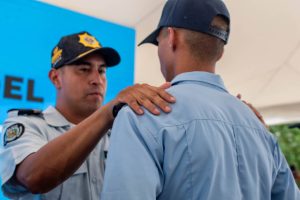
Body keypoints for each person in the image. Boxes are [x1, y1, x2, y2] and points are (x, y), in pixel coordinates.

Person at [101, 0, 300, 199]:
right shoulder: (259, 129)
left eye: (158, 42)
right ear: (221, 52)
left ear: (171, 37)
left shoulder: (142, 114)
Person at [0, 31, 176, 199]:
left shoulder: (121, 131)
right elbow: (33, 177)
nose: (97, 80)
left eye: (101, 71)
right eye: (84, 69)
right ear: (55, 78)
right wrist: (107, 112)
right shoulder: (27, 125)